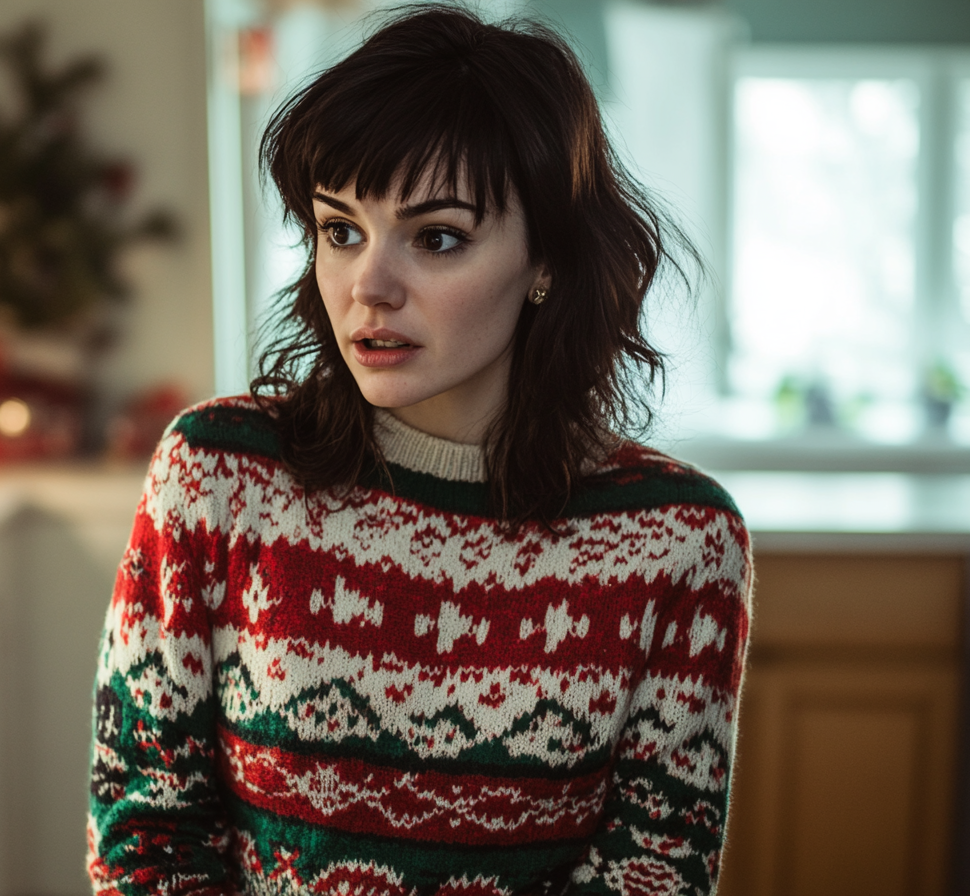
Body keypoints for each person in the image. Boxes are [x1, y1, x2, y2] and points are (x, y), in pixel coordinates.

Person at [88, 7, 751, 896]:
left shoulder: (676, 540)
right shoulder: (217, 476)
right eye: (340, 230)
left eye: (437, 237)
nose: (369, 285)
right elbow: (145, 830)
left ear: (546, 259)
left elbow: (654, 874)